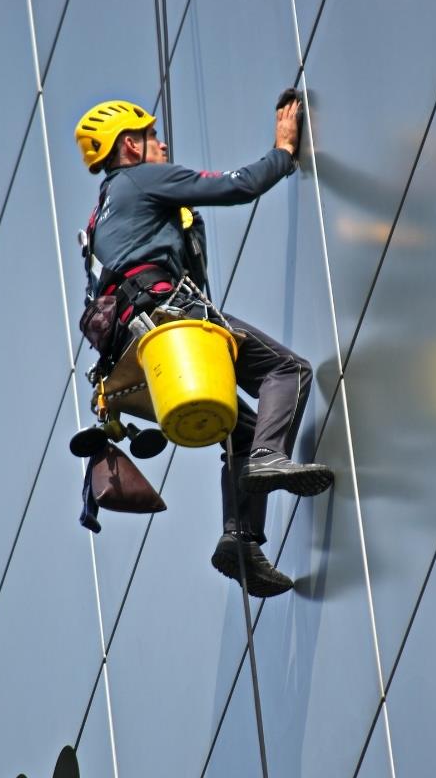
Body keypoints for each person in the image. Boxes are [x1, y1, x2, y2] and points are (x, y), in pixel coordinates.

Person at [74, 96, 333, 598]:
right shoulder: (139, 180)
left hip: (134, 354)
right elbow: (237, 186)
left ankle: (240, 541)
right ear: (130, 145)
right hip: (170, 320)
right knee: (288, 371)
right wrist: (283, 151)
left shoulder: (100, 214)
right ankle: (269, 459)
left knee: (244, 428)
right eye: (152, 136)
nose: (163, 143)